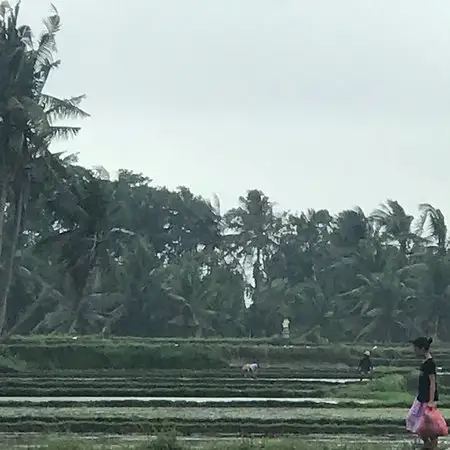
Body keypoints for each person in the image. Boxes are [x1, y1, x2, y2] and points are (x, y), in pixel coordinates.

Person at [406, 337, 442, 449]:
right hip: (421, 397)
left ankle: (432, 446)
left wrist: (431, 401)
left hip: (427, 399)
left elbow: (432, 383)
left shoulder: (430, 363)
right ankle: (427, 443)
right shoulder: (425, 362)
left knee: (429, 425)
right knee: (413, 420)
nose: (414, 351)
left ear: (422, 349)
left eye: (416, 348)